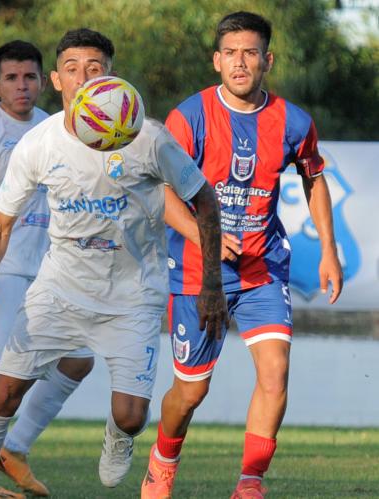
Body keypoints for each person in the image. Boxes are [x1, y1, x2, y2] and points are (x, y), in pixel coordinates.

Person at [0, 28, 227, 499]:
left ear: (111, 74)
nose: (83, 78)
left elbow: (204, 199)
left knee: (131, 416)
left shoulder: (148, 136)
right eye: (72, 69)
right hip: (60, 291)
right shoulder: (39, 143)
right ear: (56, 80)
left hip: (134, 294)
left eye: (94, 68)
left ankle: (118, 436)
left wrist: (212, 284)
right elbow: (0, 223)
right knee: (3, 391)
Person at [141, 11, 343, 499]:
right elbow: (160, 193)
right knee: (191, 391)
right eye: (230, 53)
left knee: (275, 373)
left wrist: (328, 250)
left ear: (267, 60)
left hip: (262, 267)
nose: (239, 62)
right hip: (197, 270)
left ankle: (250, 482)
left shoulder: (294, 122)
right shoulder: (189, 117)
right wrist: (204, 236)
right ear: (216, 61)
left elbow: (314, 178)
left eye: (250, 53)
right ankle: (163, 460)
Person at [0, 40, 96, 497]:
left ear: (43, 80)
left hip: (50, 268)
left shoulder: (55, 126)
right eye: (11, 78)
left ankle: (14, 447)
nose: (21, 86)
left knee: (78, 359)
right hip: (1, 268)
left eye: (29, 76)